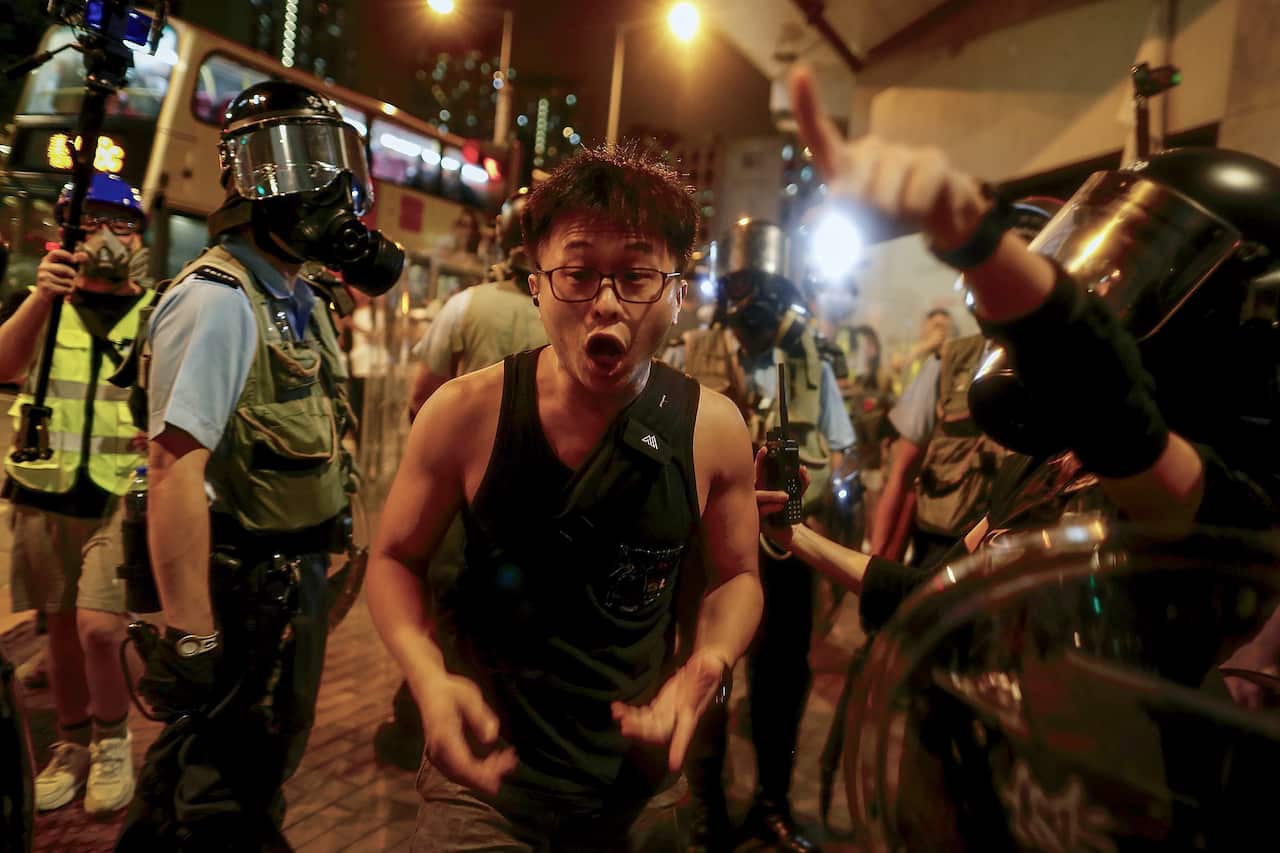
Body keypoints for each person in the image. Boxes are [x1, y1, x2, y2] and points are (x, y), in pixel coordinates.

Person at [367, 145, 764, 851]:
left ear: (677, 291)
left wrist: (708, 665)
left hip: (637, 792)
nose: (606, 301)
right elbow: (394, 558)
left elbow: (737, 576)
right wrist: (427, 678)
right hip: (482, 789)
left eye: (637, 275)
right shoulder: (465, 413)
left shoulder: (713, 428)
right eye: (578, 273)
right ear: (538, 285)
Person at [116, 80, 404, 849]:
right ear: (243, 176)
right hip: (244, 592)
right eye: (293, 159)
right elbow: (175, 466)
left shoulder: (298, 295)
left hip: (288, 587)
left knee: (216, 766)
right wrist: (192, 634)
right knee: (229, 794)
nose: (324, 185)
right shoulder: (217, 300)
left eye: (329, 158)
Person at [683, 217, 856, 853]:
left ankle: (773, 804)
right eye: (737, 286)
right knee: (711, 672)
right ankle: (704, 810)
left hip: (786, 551)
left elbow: (843, 452)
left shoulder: (813, 361)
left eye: (757, 286)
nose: (745, 301)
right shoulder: (696, 352)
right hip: (711, 547)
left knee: (782, 681)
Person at [374, 187, 549, 770]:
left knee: (445, 610)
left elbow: (420, 398)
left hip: (465, 500)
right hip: (544, 503)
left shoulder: (466, 307)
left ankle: (428, 727)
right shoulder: (565, 309)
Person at [0, 173, 153, 817]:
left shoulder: (156, 311)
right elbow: (4, 368)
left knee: (97, 629)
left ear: (141, 237)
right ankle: (72, 746)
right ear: (66, 231)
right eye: (90, 220)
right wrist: (40, 297)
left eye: (121, 223)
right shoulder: (39, 303)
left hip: (118, 496)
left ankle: (113, 740)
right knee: (59, 631)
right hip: (44, 490)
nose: (107, 236)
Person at [868, 198, 1062, 566]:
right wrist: (878, 565)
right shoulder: (949, 363)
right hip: (943, 549)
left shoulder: (1067, 369)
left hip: (1028, 556)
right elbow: (902, 472)